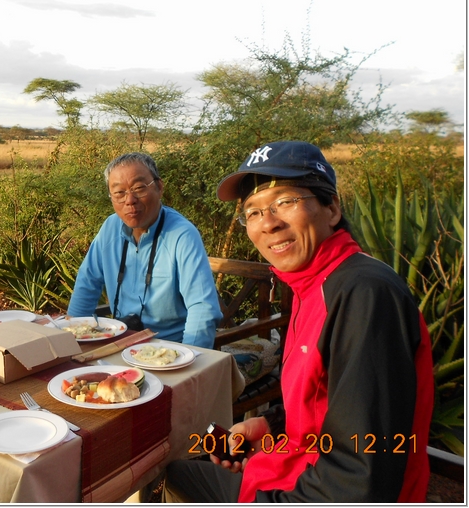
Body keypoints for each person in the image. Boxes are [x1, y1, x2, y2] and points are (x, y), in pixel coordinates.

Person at [163, 140, 434, 503]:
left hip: (308, 489)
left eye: (285, 202)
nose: (269, 223)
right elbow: (327, 402)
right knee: (171, 467)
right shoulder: (313, 284)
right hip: (288, 465)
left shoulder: (364, 295)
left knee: (166, 471)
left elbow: (358, 481)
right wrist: (273, 425)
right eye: (253, 212)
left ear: (332, 208)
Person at [67, 152, 222, 349]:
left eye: (139, 188)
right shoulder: (110, 228)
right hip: (118, 342)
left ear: (159, 187)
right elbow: (87, 282)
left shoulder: (182, 235)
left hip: (168, 348)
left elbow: (203, 308)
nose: (130, 200)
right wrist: (72, 340)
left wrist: (187, 359)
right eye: (119, 193)